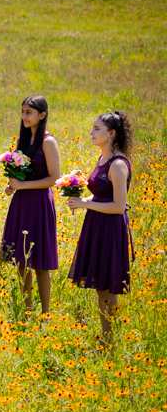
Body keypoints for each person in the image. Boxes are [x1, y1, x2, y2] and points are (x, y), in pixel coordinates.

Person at [66, 111, 134, 348]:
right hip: (96, 225)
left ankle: (111, 341)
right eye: (92, 128)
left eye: (97, 129)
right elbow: (102, 192)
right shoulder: (103, 159)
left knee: (108, 287)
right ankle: (107, 338)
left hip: (109, 228)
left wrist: (86, 204)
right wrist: (77, 186)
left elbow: (117, 207)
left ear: (112, 133)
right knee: (100, 288)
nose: (91, 133)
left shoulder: (117, 165)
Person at [0, 96, 60, 318]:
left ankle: (45, 315)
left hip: (40, 203)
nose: (24, 116)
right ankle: (27, 311)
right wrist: (12, 186)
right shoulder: (24, 139)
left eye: (29, 112)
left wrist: (24, 185)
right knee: (21, 261)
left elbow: (54, 178)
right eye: (22, 111)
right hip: (22, 202)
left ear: (42, 115)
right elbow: (20, 173)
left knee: (40, 263)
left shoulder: (48, 141)